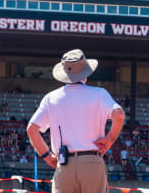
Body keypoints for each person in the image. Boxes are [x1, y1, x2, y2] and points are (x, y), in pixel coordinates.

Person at [26, 49, 125, 193]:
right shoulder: (99, 94)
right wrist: (110, 139)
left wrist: (47, 156)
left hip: (64, 163)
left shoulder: (51, 98)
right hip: (91, 161)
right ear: (86, 74)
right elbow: (119, 114)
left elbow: (31, 129)